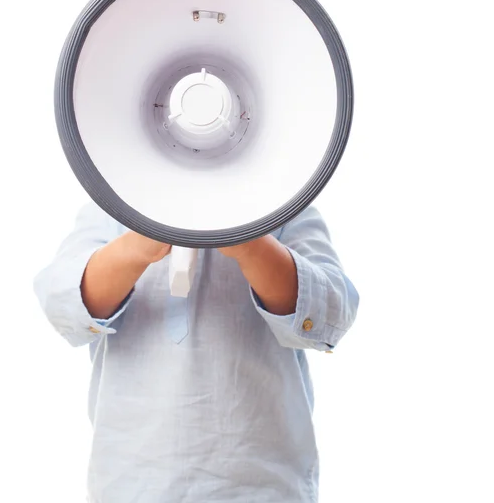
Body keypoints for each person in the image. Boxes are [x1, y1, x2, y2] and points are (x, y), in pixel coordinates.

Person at [33, 200, 359, 503]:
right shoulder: (112, 200)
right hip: (134, 482)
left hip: (263, 484)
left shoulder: (286, 199)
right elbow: (65, 306)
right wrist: (138, 244)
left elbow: (331, 314)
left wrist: (250, 243)